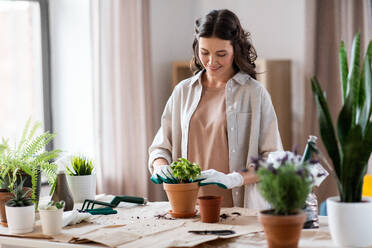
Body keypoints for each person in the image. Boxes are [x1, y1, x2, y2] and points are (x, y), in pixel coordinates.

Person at [148, 9, 282, 209]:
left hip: (239, 209)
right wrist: (161, 167)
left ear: (235, 49)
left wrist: (235, 179)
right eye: (204, 53)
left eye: (221, 54)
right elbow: (161, 147)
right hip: (189, 208)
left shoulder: (255, 94)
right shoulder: (182, 92)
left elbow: (273, 159)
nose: (211, 61)